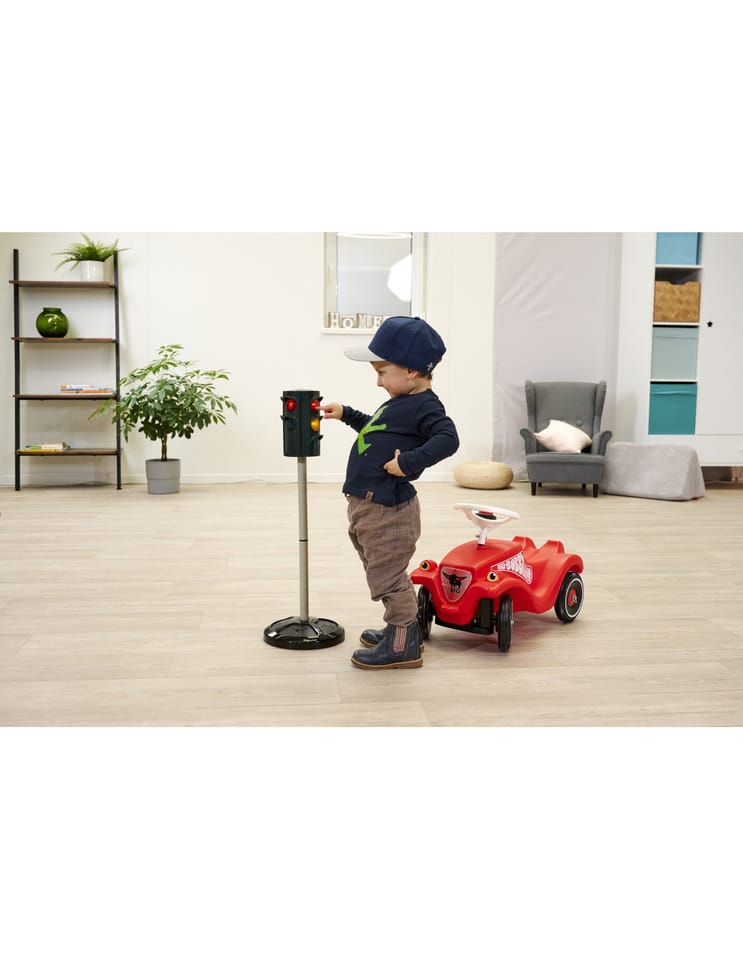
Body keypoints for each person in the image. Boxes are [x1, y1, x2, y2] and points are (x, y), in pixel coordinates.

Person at [321, 315, 459, 669]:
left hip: (388, 511)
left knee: (388, 578)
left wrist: (408, 463)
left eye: (382, 372)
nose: (378, 381)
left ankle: (403, 644)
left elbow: (448, 438)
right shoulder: (400, 400)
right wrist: (347, 414)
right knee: (382, 572)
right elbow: (377, 429)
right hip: (368, 507)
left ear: (411, 371)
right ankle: (401, 629)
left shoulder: (425, 405)